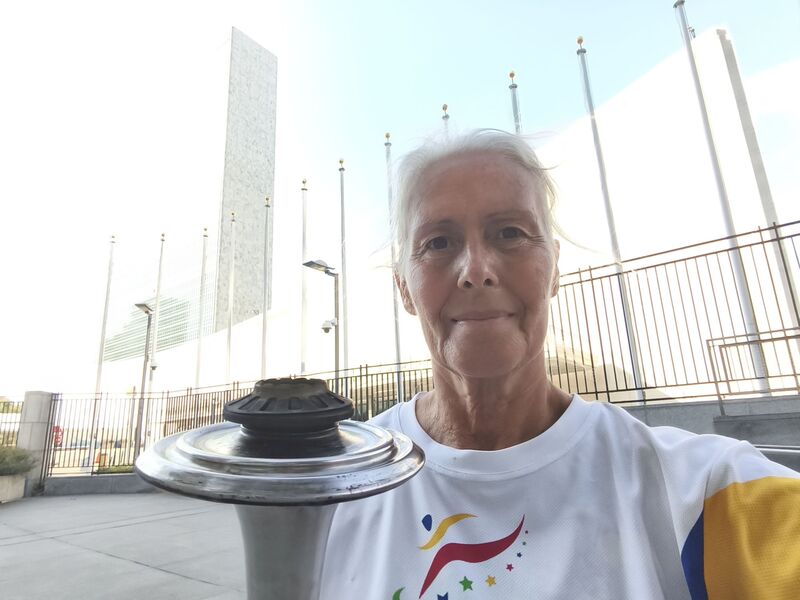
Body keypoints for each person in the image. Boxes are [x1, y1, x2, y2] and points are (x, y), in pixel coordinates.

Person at [320, 129, 800, 599]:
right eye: (439, 242)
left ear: (553, 267)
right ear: (403, 286)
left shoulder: (699, 492)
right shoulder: (332, 494)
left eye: (510, 233)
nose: (476, 270)